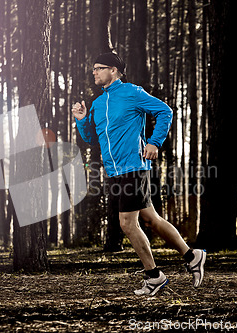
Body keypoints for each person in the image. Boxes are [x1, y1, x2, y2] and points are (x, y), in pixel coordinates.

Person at [72, 52, 206, 296]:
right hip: (114, 171)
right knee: (151, 219)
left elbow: (165, 111)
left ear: (114, 70)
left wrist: (154, 142)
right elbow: (93, 139)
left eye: (99, 68)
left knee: (127, 223)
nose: (94, 73)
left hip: (134, 166)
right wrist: (81, 120)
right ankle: (192, 255)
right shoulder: (98, 103)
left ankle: (154, 276)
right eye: (93, 69)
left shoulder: (132, 92)